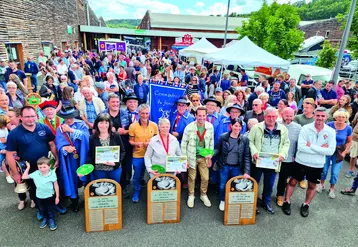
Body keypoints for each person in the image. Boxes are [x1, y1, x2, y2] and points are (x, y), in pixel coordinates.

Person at [282, 107, 336, 217]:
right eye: (318, 115)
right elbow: (301, 147)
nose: (320, 118)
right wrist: (321, 150)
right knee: (293, 182)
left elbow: (330, 151)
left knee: (312, 185)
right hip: (301, 161)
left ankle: (306, 204)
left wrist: (311, 145)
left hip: (317, 164)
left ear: (326, 117)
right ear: (314, 116)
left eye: (322, 116)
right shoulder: (305, 128)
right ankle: (286, 201)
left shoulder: (330, 131)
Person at [6, 106, 58, 214]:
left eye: (33, 116)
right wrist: (15, 173)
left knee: (49, 187)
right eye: (27, 117)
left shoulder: (44, 128)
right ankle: (40, 210)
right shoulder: (14, 133)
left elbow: (52, 144)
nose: (31, 119)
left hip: (45, 166)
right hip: (28, 168)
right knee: (34, 190)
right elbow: (9, 155)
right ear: (21, 117)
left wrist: (57, 159)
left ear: (37, 116)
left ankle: (53, 207)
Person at [249, 108, 290, 214]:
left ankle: (266, 202)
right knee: (255, 183)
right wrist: (254, 152)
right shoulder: (256, 127)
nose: (271, 119)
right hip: (258, 161)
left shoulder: (283, 129)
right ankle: (252, 204)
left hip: (273, 162)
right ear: (264, 116)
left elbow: (286, 143)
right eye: (269, 116)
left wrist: (282, 154)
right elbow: (250, 141)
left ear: (277, 117)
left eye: (274, 117)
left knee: (269, 184)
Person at [56, 105, 89, 212]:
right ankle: (74, 201)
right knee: (71, 179)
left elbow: (87, 138)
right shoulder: (60, 128)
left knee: (86, 176)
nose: (69, 119)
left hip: (83, 155)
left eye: (71, 117)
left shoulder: (81, 124)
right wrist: (65, 148)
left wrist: (72, 131)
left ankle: (88, 199)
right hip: (70, 159)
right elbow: (59, 144)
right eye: (66, 117)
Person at [181, 106, 214, 208]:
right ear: (195, 115)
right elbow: (183, 144)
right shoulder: (189, 127)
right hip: (192, 156)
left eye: (203, 116)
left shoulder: (210, 127)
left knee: (205, 178)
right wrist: (184, 159)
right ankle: (191, 195)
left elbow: (211, 142)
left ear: (206, 116)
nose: (201, 118)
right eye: (199, 115)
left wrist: (210, 156)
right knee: (192, 177)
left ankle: (203, 195)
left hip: (204, 157)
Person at [216, 118, 251, 211]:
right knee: (223, 185)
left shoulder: (245, 139)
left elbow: (247, 156)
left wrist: (247, 171)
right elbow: (218, 149)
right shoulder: (223, 137)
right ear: (231, 126)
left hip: (237, 167)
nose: (237, 128)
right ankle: (222, 200)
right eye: (235, 125)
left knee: (235, 185)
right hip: (224, 165)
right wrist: (210, 154)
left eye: (239, 126)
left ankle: (232, 201)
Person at [317, 110, 352, 198]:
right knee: (324, 170)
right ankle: (321, 184)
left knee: (334, 172)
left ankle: (332, 189)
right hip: (328, 150)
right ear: (335, 117)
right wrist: (329, 136)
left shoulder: (348, 128)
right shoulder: (330, 125)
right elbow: (322, 135)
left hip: (339, 152)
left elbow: (349, 142)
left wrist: (345, 152)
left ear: (346, 118)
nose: (341, 119)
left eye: (343, 117)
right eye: (339, 117)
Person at [129, 104, 158, 202]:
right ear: (138, 114)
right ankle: (137, 190)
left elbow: (157, 140)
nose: (145, 116)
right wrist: (136, 144)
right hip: (138, 155)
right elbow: (131, 140)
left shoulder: (154, 125)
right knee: (136, 175)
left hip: (152, 156)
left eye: (146, 113)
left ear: (149, 114)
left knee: (154, 173)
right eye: (142, 113)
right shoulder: (133, 126)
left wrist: (150, 144)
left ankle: (155, 191)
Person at [87, 113, 125, 184]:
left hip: (114, 169)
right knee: (100, 192)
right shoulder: (92, 138)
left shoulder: (115, 135)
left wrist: (116, 163)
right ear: (97, 124)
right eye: (101, 123)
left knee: (115, 190)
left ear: (109, 124)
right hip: (99, 170)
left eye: (106, 123)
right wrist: (85, 170)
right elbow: (90, 154)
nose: (104, 126)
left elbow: (122, 151)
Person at [22, 157, 59, 230]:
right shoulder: (36, 173)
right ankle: (45, 219)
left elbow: (56, 185)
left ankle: (52, 220)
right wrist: (28, 167)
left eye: (44, 167)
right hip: (39, 196)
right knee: (42, 209)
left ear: (49, 166)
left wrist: (57, 197)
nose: (42, 169)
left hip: (49, 196)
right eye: (40, 167)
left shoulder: (52, 173)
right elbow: (24, 176)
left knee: (50, 209)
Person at [275, 107, 301, 207]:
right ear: (282, 114)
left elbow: (299, 143)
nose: (289, 118)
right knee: (270, 177)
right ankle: (265, 194)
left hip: (289, 157)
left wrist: (295, 156)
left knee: (283, 177)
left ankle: (280, 195)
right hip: (275, 156)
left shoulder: (298, 127)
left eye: (291, 116)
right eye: (287, 116)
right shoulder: (276, 124)